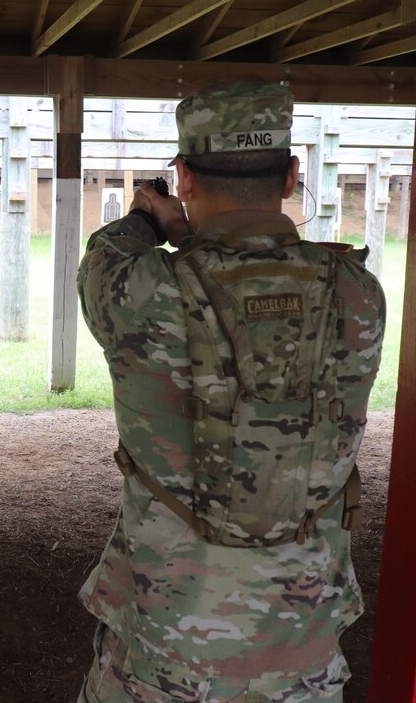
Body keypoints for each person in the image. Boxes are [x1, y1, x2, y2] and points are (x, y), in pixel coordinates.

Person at [76, 81, 386, 702]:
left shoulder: (137, 289)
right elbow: (259, 294)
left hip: (165, 642)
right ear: (292, 176)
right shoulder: (358, 291)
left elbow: (110, 251)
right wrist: (195, 237)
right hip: (302, 640)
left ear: (185, 179)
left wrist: (151, 217)